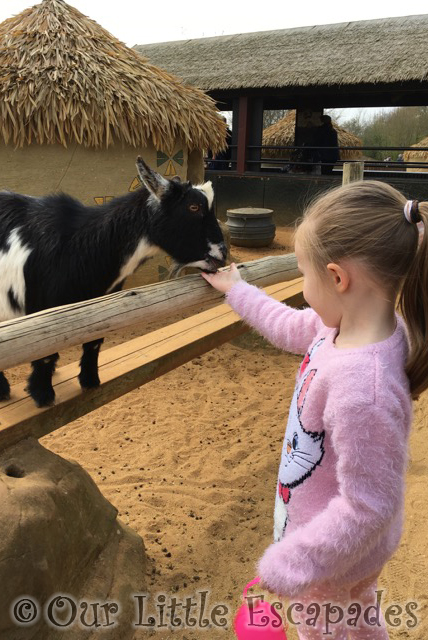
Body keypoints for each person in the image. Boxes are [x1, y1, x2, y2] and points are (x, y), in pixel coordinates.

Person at [202, 180, 428, 639]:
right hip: (335, 551)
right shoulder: (348, 328)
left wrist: (294, 560)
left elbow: (369, 505)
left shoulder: (362, 388)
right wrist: (237, 290)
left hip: (330, 563)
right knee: (358, 623)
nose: (304, 292)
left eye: (304, 277)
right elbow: (288, 325)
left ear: (338, 277)